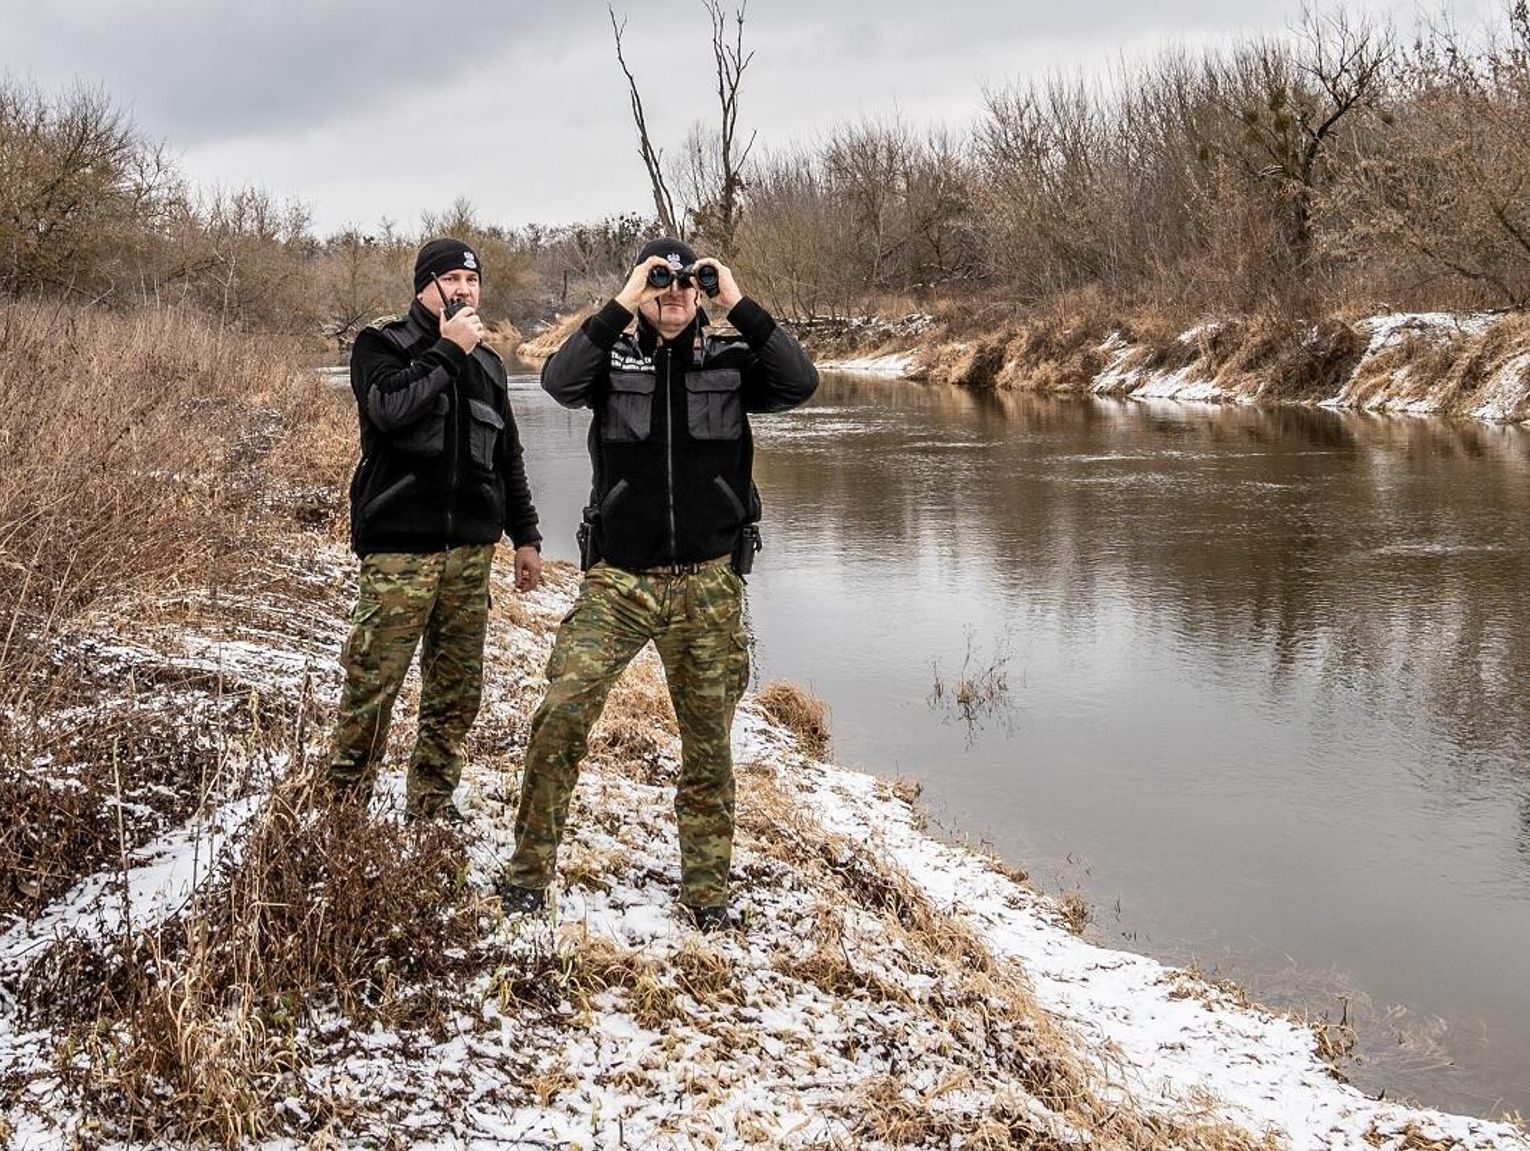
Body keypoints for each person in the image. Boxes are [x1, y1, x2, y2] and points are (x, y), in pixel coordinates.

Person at [501, 236, 818, 929]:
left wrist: (738, 301)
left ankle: (706, 892)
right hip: (619, 582)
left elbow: (801, 383)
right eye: (659, 283)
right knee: (561, 713)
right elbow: (557, 381)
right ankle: (527, 874)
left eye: (685, 285)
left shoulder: (732, 358)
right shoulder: (611, 360)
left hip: (708, 584)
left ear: (701, 292)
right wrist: (621, 302)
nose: (674, 295)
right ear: (641, 290)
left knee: (709, 744)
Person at [327, 237, 543, 821]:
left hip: (470, 556)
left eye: (472, 282)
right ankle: (342, 813)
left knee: (454, 693)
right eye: (451, 280)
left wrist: (525, 537)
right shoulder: (381, 345)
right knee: (373, 687)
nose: (464, 291)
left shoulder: (491, 365)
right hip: (400, 550)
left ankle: (430, 803)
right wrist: (448, 352)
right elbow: (389, 410)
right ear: (424, 286)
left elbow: (508, 456)